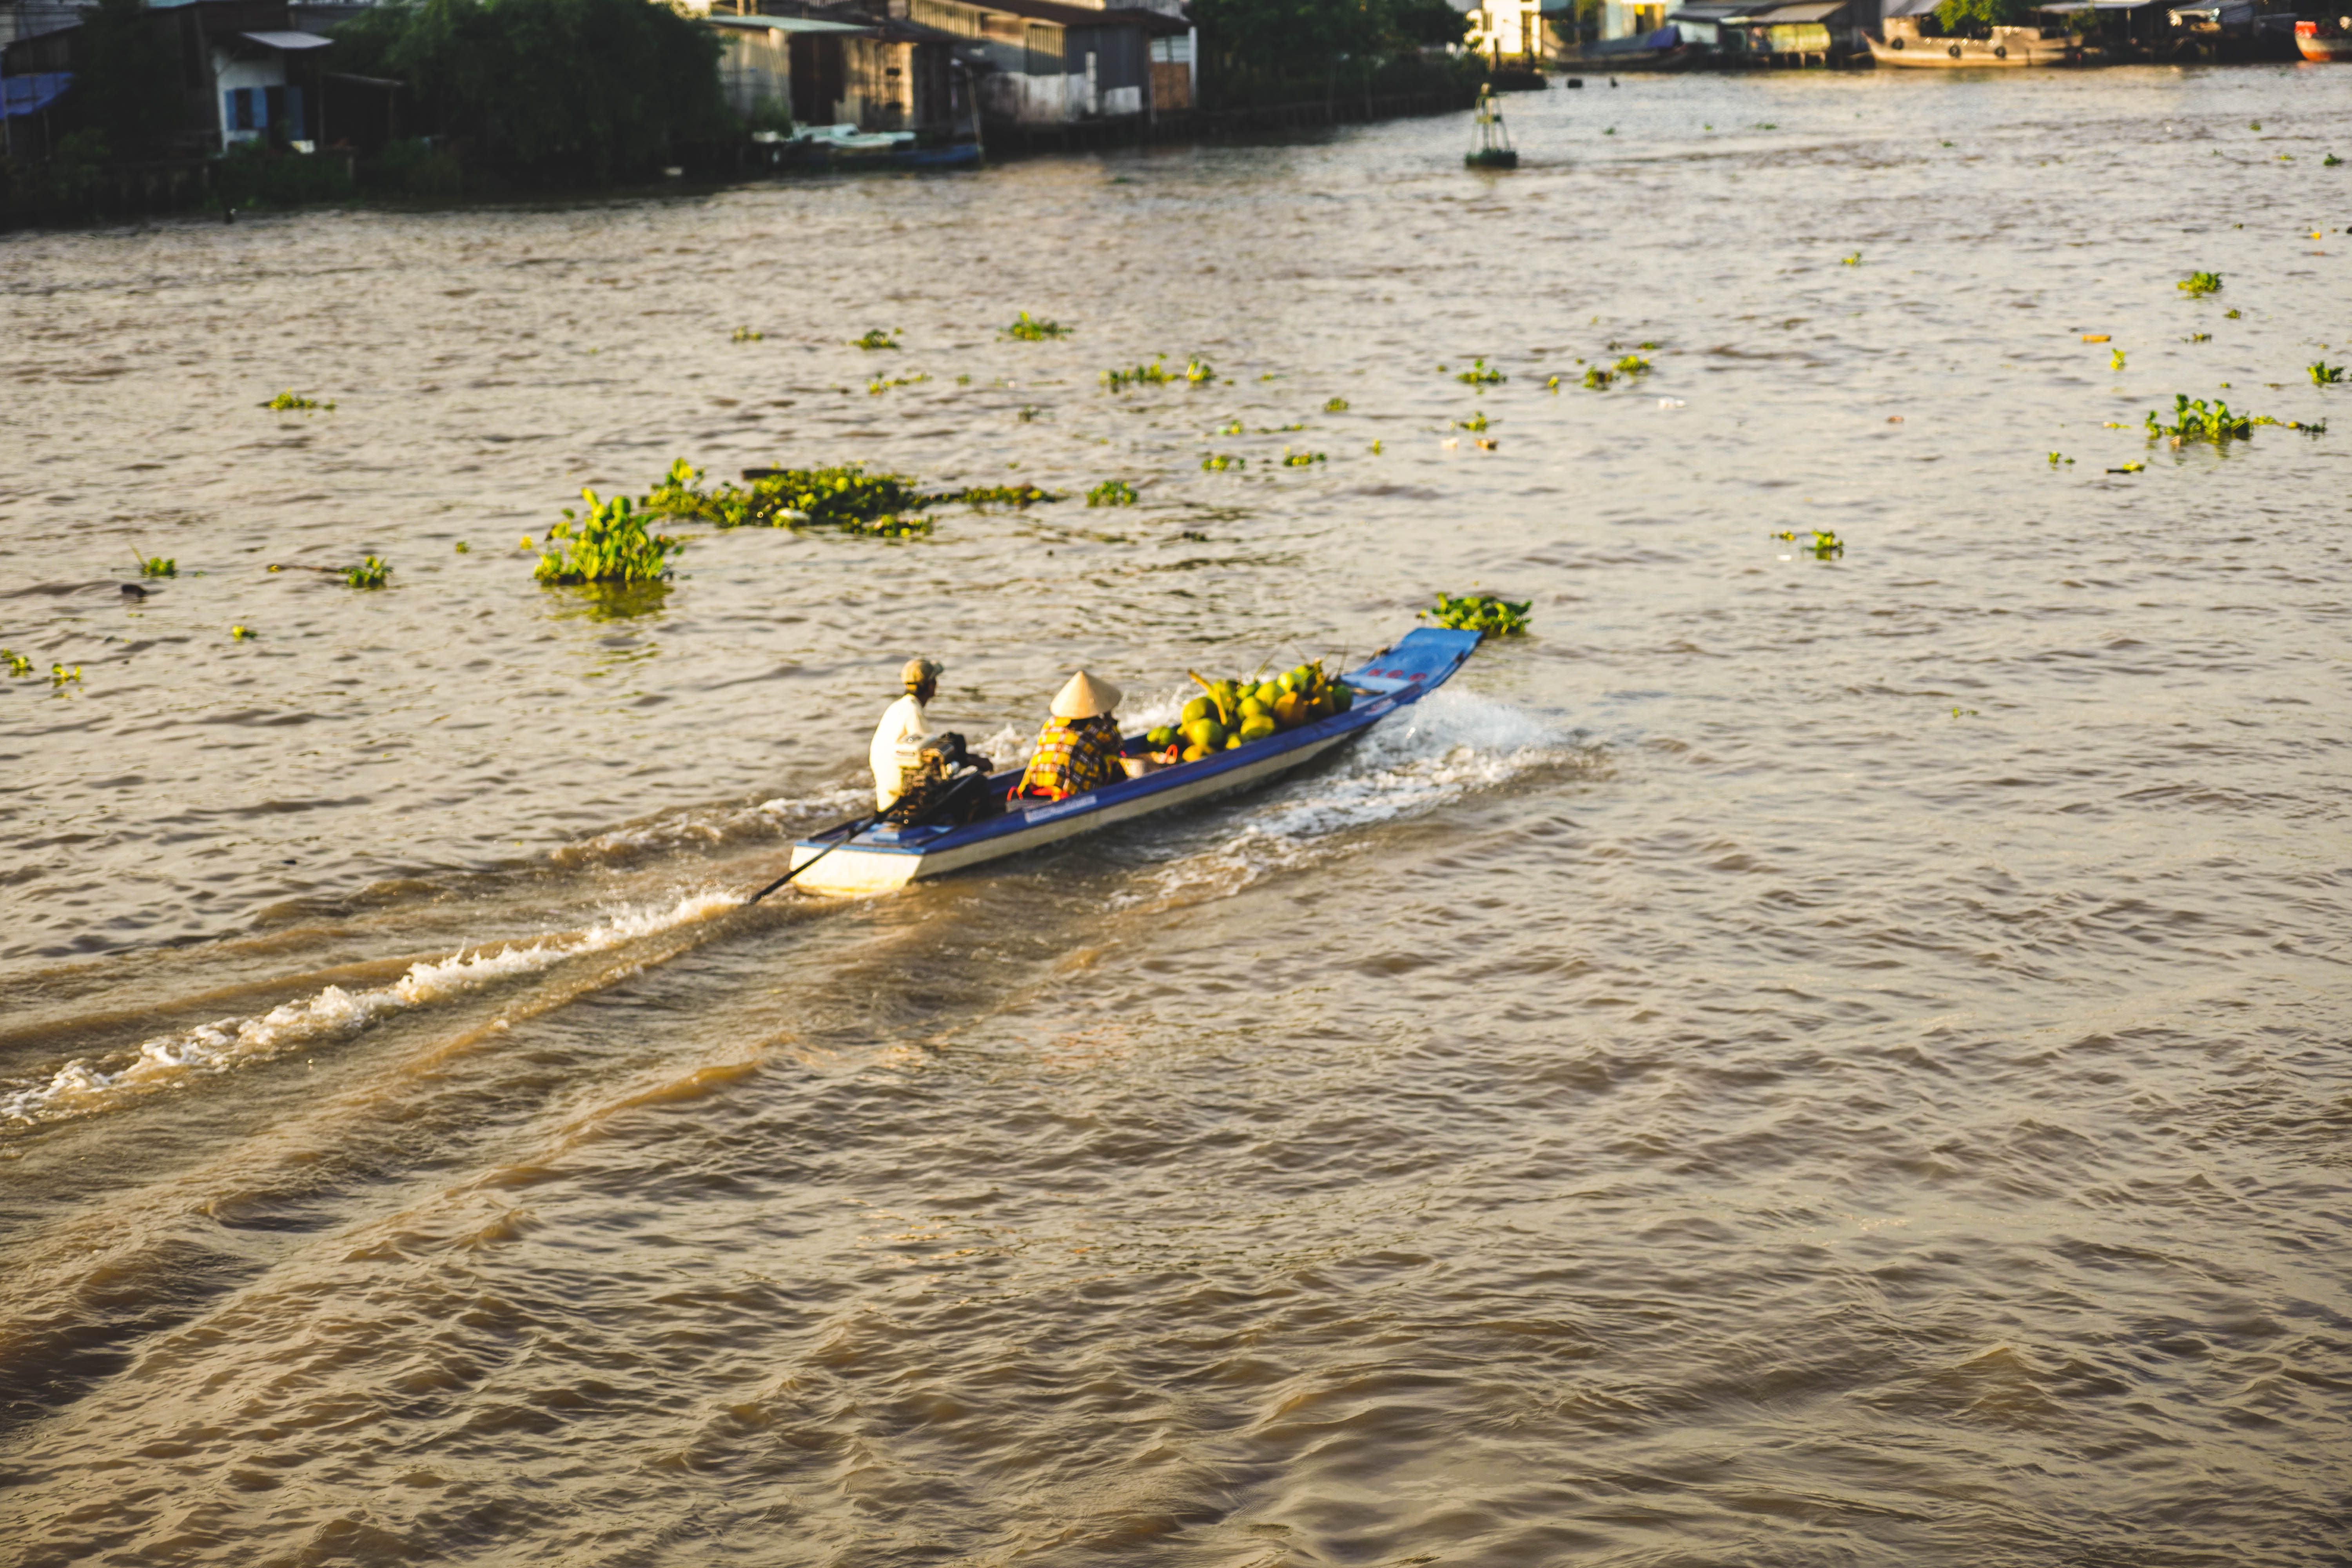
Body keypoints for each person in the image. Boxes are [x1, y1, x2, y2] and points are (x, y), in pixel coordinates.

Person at [1014, 671, 1125, 802]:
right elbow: (1118, 746)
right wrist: (1109, 719)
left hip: (1033, 784)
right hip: (1068, 790)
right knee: (1112, 760)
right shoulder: (1099, 727)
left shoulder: (1051, 723)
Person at [870, 657, 942, 810]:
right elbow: (931, 754)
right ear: (931, 686)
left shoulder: (896, 707)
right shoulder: (914, 712)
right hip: (901, 797)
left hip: (885, 797)